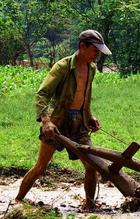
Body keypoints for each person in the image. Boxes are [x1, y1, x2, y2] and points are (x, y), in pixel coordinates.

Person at [14, 30, 112, 209]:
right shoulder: (62, 67)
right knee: (41, 166)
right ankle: (18, 201)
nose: (97, 54)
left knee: (91, 166)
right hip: (57, 122)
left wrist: (89, 117)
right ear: (82, 46)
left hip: (79, 123)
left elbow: (84, 95)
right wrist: (46, 121)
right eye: (94, 50)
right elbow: (42, 94)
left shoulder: (92, 68)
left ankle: (90, 206)